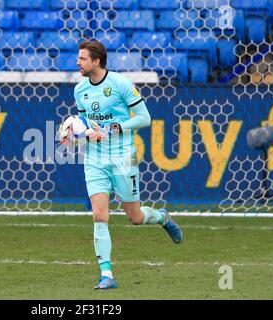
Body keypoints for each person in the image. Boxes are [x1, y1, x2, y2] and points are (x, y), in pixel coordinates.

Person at [60, 39, 183, 290]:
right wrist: (72, 132)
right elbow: (87, 121)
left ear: (96, 61)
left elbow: (144, 118)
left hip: (123, 156)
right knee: (99, 215)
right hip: (95, 159)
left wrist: (114, 128)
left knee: (135, 217)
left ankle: (161, 217)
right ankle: (107, 275)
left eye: (82, 58)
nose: (77, 62)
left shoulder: (120, 84)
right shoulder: (80, 90)